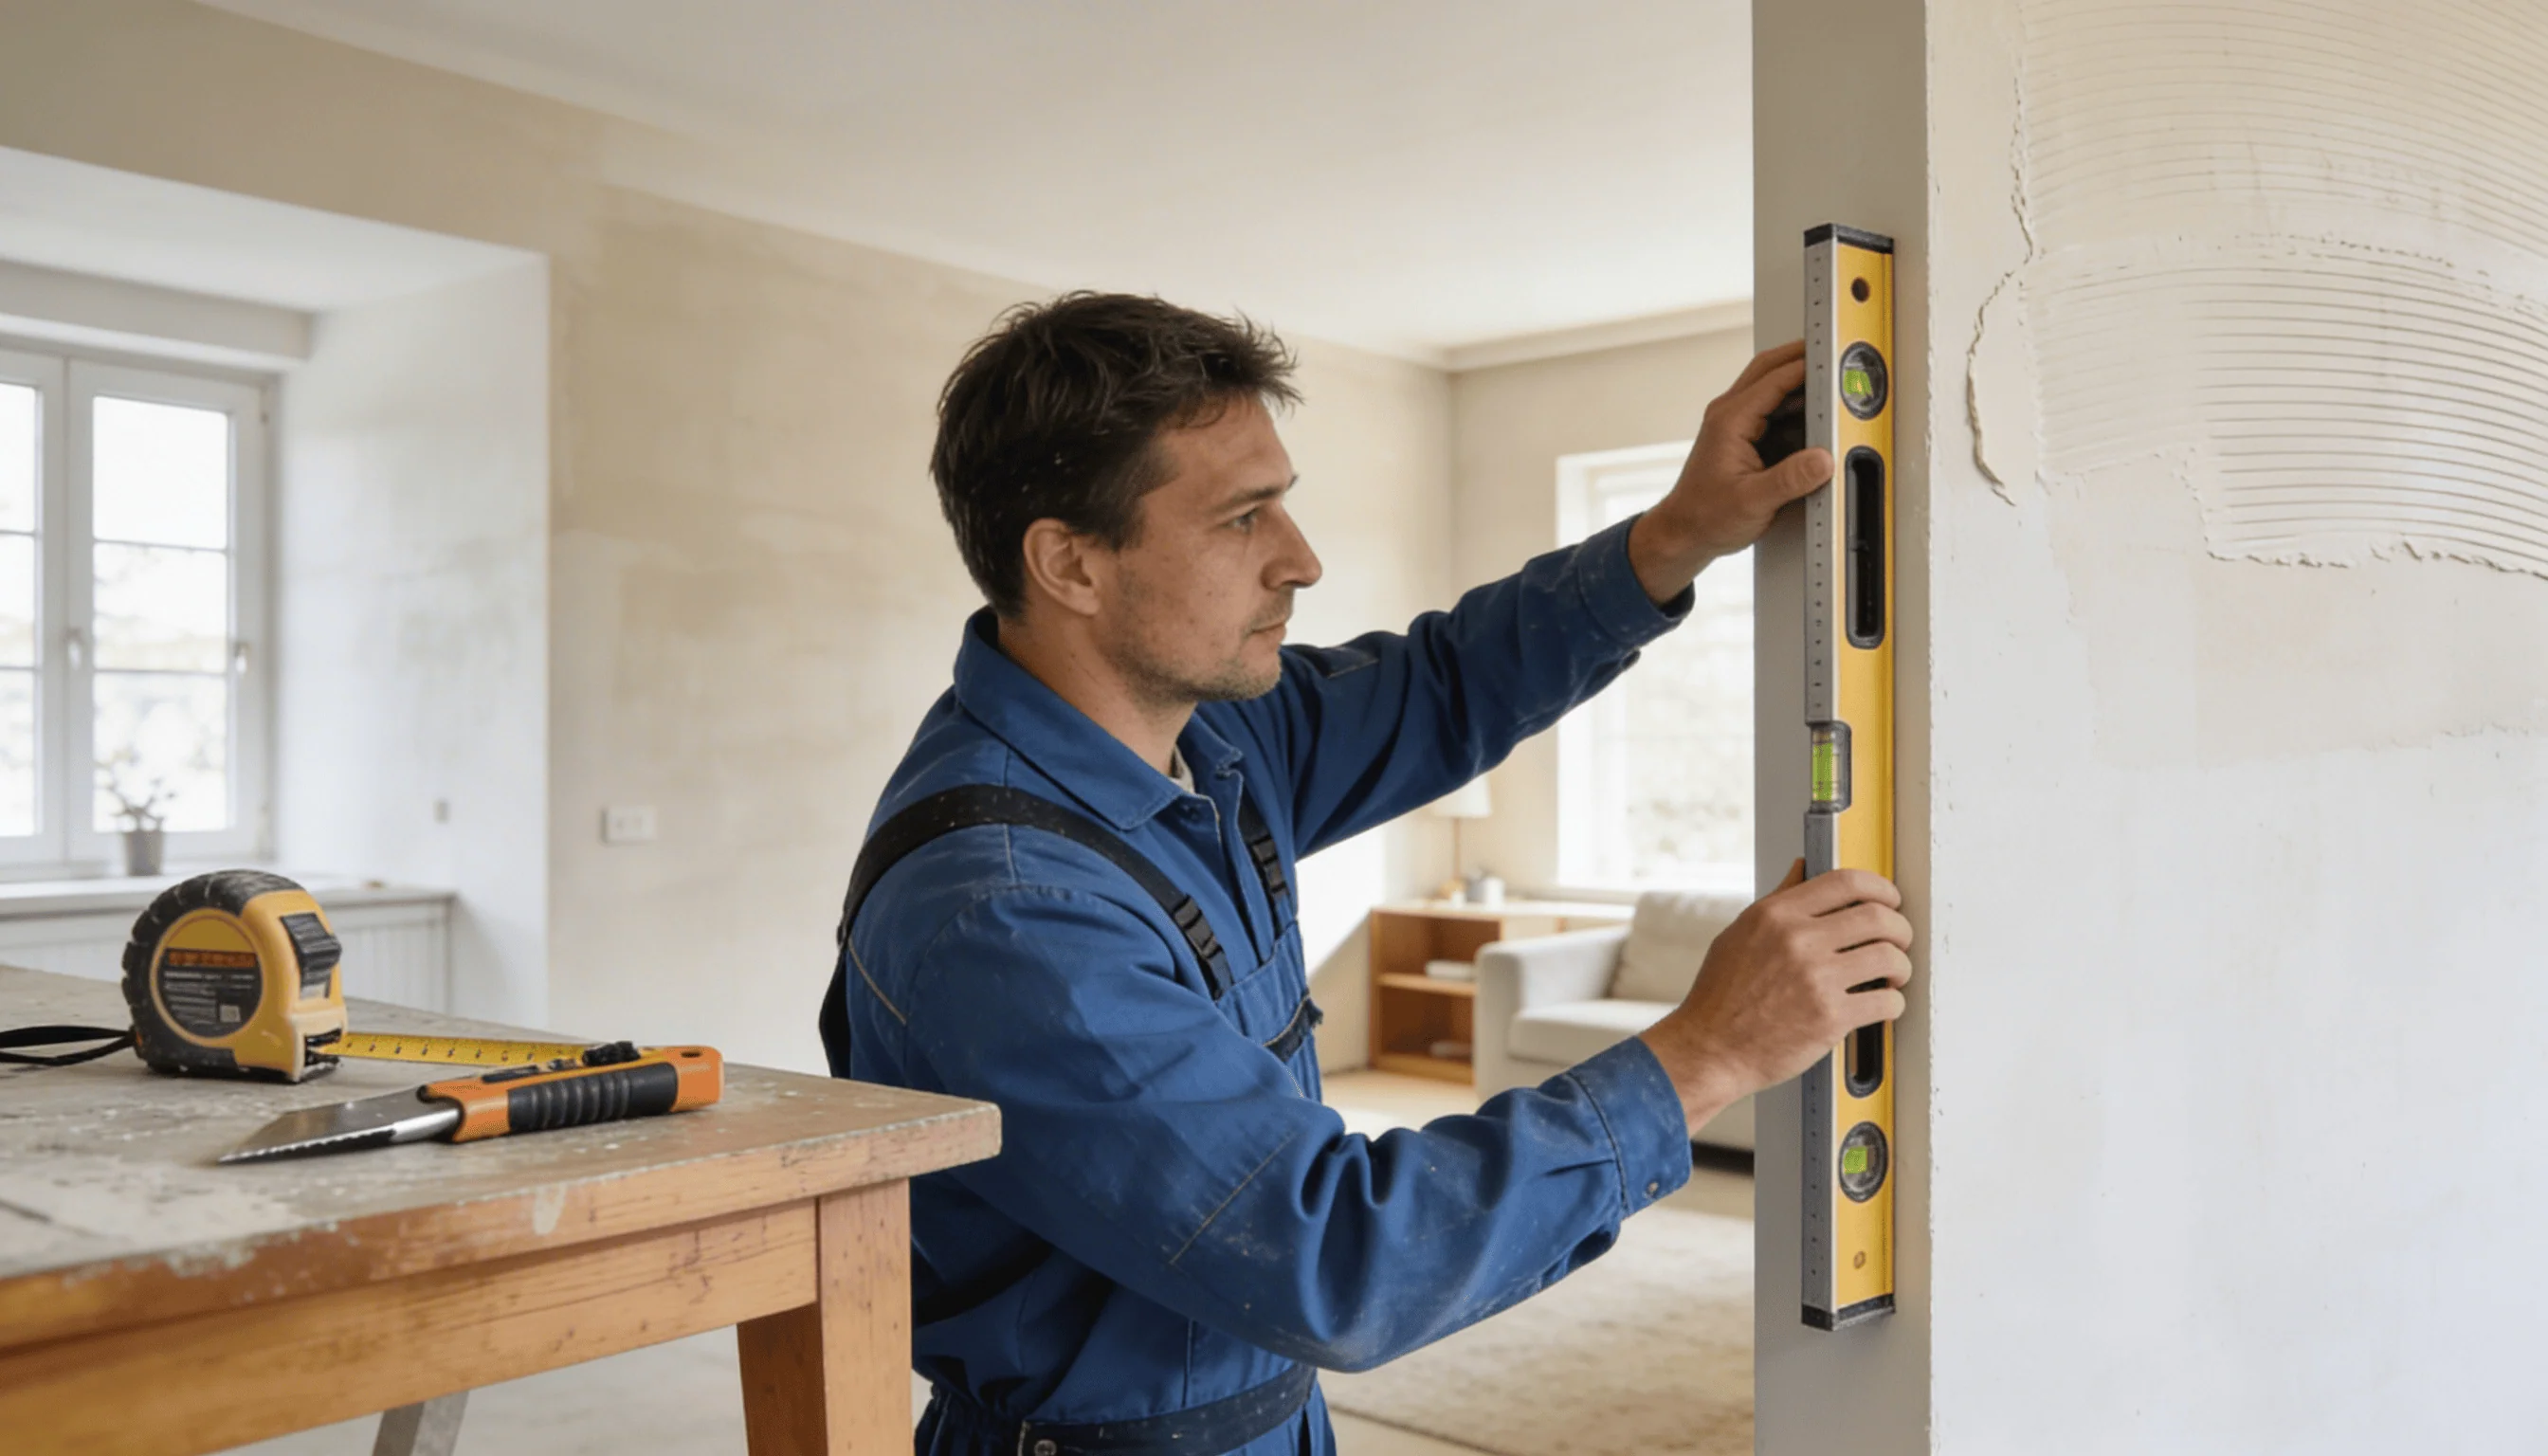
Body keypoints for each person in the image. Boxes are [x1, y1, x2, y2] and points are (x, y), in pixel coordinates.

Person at [821, 293, 1914, 1456]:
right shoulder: (1005, 913)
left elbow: (1445, 686)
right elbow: (1329, 1257)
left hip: (1273, 1419)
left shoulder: (1215, 736)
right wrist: (1708, 1054)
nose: (1301, 560)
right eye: (1245, 519)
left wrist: (1675, 535)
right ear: (1070, 563)